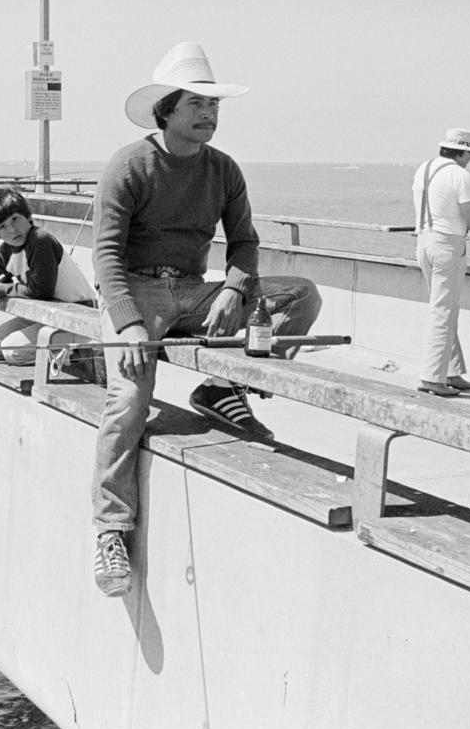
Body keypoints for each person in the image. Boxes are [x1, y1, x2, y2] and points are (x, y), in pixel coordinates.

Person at [89, 42, 322, 597]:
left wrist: (234, 289)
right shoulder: (129, 164)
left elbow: (244, 242)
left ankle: (222, 387)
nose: (209, 115)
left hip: (193, 291)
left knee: (302, 296)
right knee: (128, 401)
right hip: (135, 291)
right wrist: (127, 324)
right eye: (196, 103)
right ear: (166, 110)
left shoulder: (224, 170)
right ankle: (110, 530)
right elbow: (105, 255)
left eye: (214, 105)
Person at [411, 128, 470, 397]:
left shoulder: (423, 169)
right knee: (443, 312)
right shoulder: (460, 175)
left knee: (443, 308)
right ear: (464, 152)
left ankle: (451, 372)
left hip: (424, 243)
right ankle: (431, 378)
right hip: (447, 246)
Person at [0, 188, 96, 364]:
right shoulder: (6, 250)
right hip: (47, 313)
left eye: (15, 219)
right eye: (2, 227)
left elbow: (41, 290)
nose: (12, 230)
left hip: (77, 314)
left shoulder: (40, 240)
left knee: (13, 351)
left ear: (26, 216)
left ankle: (77, 353)